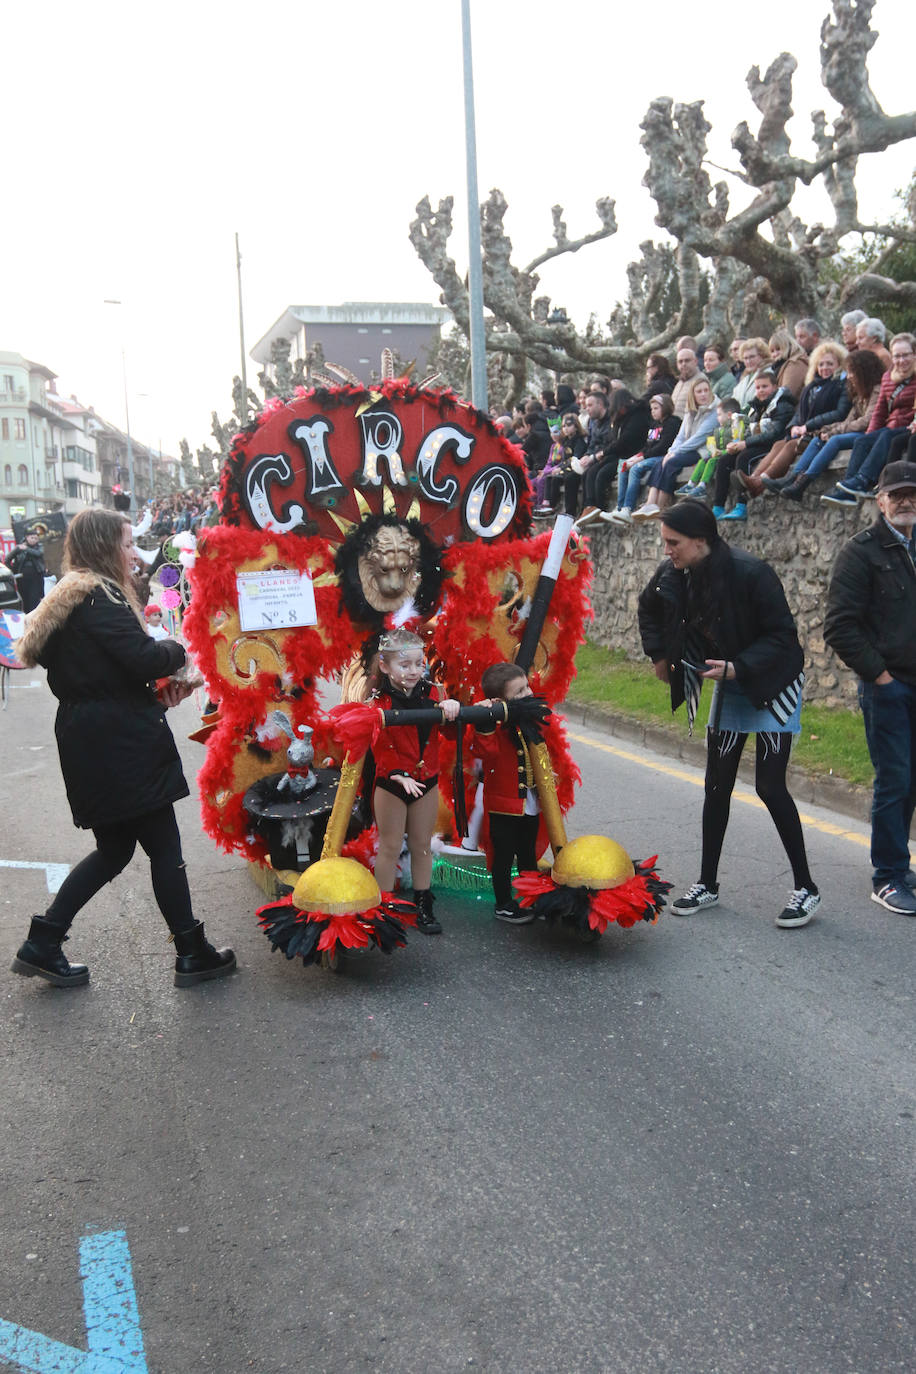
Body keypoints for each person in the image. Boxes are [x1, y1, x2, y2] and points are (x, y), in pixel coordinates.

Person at [11, 508, 236, 988]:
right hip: (118, 742)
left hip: (97, 734)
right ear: (103, 546)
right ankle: (191, 951)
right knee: (163, 846)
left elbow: (101, 672)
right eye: (127, 543)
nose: (134, 554)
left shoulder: (76, 598)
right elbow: (141, 657)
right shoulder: (99, 597)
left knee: (115, 849)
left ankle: (44, 941)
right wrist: (176, 649)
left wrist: (148, 693)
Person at [637, 500, 819, 928]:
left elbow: (784, 638)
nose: (667, 550)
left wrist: (739, 667)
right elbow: (649, 608)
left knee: (770, 788)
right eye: (665, 542)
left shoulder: (750, 572)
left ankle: (807, 888)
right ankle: (707, 884)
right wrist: (659, 655)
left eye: (673, 542)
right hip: (728, 679)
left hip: (771, 681)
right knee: (716, 786)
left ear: (701, 540)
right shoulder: (673, 573)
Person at [824, 461, 916, 916]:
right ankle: (888, 876)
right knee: (895, 779)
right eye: (896, 494)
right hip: (889, 688)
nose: (905, 501)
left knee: (911, 780)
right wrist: (880, 677)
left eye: (912, 494)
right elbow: (839, 627)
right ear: (879, 500)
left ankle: (901, 863)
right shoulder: (860, 552)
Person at [368, 627, 460, 934]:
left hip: (426, 780)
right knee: (390, 846)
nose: (413, 671)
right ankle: (383, 907)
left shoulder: (433, 693)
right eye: (404, 665)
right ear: (385, 666)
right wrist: (397, 773)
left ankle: (423, 904)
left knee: (422, 846)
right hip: (392, 783)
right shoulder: (378, 700)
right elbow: (379, 743)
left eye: (418, 664)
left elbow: (447, 733)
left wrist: (450, 709)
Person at [765, 348, 884, 502]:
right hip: (855, 430)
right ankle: (794, 478)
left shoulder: (876, 390)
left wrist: (835, 432)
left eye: (852, 372)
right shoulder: (859, 392)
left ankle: (804, 481)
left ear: (863, 371)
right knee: (819, 439)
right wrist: (827, 430)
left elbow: (866, 421)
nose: (849, 376)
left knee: (834, 440)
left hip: (869, 433)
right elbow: (849, 419)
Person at [474, 661, 542, 924]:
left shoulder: (531, 718)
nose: (528, 694)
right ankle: (503, 903)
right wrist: (486, 721)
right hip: (504, 806)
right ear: (499, 700)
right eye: (520, 692)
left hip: (531, 803)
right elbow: (486, 753)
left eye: (527, 687)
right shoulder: (494, 726)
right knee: (503, 856)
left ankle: (531, 897)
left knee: (527, 853)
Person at [737, 341, 849, 499]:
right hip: (805, 431)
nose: (825, 368)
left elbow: (839, 413)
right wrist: (794, 426)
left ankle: (761, 482)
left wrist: (807, 426)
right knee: (778, 444)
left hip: (823, 431)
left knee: (790, 446)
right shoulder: (812, 386)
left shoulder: (841, 386)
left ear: (839, 364)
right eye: (821, 364)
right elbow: (799, 413)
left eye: (830, 364)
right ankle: (754, 478)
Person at [820, 332, 916, 505]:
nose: (901, 360)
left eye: (906, 355)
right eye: (897, 356)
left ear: (914, 354)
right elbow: (879, 412)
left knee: (886, 436)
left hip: (908, 425)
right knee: (863, 441)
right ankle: (848, 493)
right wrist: (870, 435)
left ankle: (865, 480)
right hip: (891, 425)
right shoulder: (888, 377)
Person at [631, 377, 718, 520]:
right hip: (687, 448)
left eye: (706, 391)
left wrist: (675, 453)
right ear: (693, 395)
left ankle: (660, 506)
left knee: (672, 462)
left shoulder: (714, 411)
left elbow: (700, 438)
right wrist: (671, 452)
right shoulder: (690, 411)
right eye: (699, 391)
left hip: (703, 449)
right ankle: (650, 503)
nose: (703, 394)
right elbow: (681, 436)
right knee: (661, 461)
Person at [712, 369, 795, 521]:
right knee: (724, 460)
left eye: (765, 386)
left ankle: (741, 506)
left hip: (772, 445)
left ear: (775, 387)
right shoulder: (756, 407)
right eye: (758, 387)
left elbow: (774, 433)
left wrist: (745, 444)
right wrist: (736, 443)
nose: (761, 391)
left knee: (744, 458)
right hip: (757, 443)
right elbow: (751, 430)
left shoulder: (782, 405)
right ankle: (718, 507)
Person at [570, 388, 651, 526]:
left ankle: (602, 511)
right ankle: (590, 507)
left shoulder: (638, 416)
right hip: (617, 454)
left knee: (602, 474)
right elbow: (612, 439)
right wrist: (591, 456)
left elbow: (624, 440)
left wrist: (600, 454)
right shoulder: (618, 419)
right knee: (590, 472)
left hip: (629, 455)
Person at [606, 394, 680, 524]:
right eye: (652, 409)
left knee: (635, 468)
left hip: (663, 456)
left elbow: (663, 446)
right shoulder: (654, 425)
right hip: (651, 455)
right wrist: (635, 457)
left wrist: (640, 459)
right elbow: (647, 446)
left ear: (666, 407)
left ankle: (628, 508)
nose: (653, 411)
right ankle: (620, 508)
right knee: (624, 466)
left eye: (656, 408)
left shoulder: (673, 422)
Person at [679, 396, 743, 498]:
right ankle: (691, 484)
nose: (717, 418)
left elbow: (734, 445)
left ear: (729, 415)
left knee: (711, 461)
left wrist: (720, 452)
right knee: (703, 460)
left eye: (719, 415)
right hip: (717, 454)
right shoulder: (719, 429)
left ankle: (702, 486)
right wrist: (712, 450)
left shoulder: (735, 428)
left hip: (727, 455)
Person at [9, 531, 47, 613]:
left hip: (36, 578)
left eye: (36, 538)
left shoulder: (39, 546)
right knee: (24, 599)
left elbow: (38, 553)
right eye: (32, 538)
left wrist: (26, 549)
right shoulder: (19, 547)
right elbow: (7, 559)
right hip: (22, 578)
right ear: (26, 537)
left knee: (35, 600)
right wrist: (12, 570)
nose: (34, 540)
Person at [731, 338, 771, 410]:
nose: (748, 361)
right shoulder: (744, 378)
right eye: (745, 358)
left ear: (762, 355)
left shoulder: (768, 373)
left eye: (752, 357)